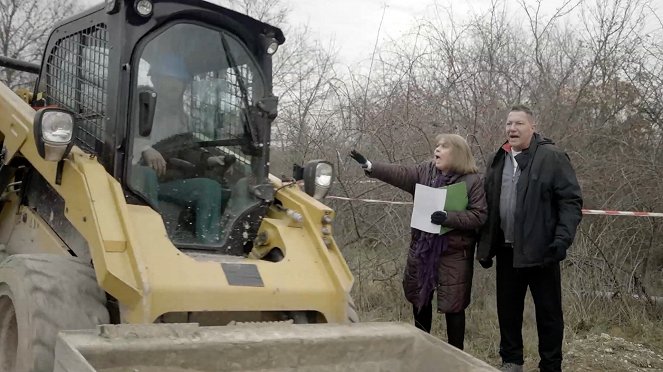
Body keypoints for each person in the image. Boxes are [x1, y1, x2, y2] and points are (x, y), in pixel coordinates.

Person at [350, 134, 487, 350]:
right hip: (423, 249)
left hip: (454, 254)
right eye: (437, 146)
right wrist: (370, 166)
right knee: (420, 299)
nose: (438, 150)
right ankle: (423, 350)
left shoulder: (472, 181)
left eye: (444, 146)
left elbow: (479, 216)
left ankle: (457, 358)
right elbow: (400, 173)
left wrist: (448, 217)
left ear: (458, 154)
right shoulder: (425, 171)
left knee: (454, 306)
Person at [477, 104, 583, 372]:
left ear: (532, 127)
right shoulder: (498, 158)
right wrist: (486, 246)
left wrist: (561, 240)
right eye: (509, 123)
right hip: (507, 250)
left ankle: (550, 364)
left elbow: (570, 201)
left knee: (548, 314)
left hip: (542, 251)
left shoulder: (552, 156)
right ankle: (511, 361)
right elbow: (489, 202)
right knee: (508, 312)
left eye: (519, 123)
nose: (512, 128)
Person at [130, 54, 228, 244]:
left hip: (165, 182)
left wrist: (208, 159)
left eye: (179, 82)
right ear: (156, 79)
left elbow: (185, 147)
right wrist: (144, 147)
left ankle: (209, 241)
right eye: (170, 81)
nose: (176, 87)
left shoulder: (180, 117)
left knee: (209, 187)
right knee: (147, 176)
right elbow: (117, 134)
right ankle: (153, 237)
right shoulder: (136, 104)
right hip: (132, 178)